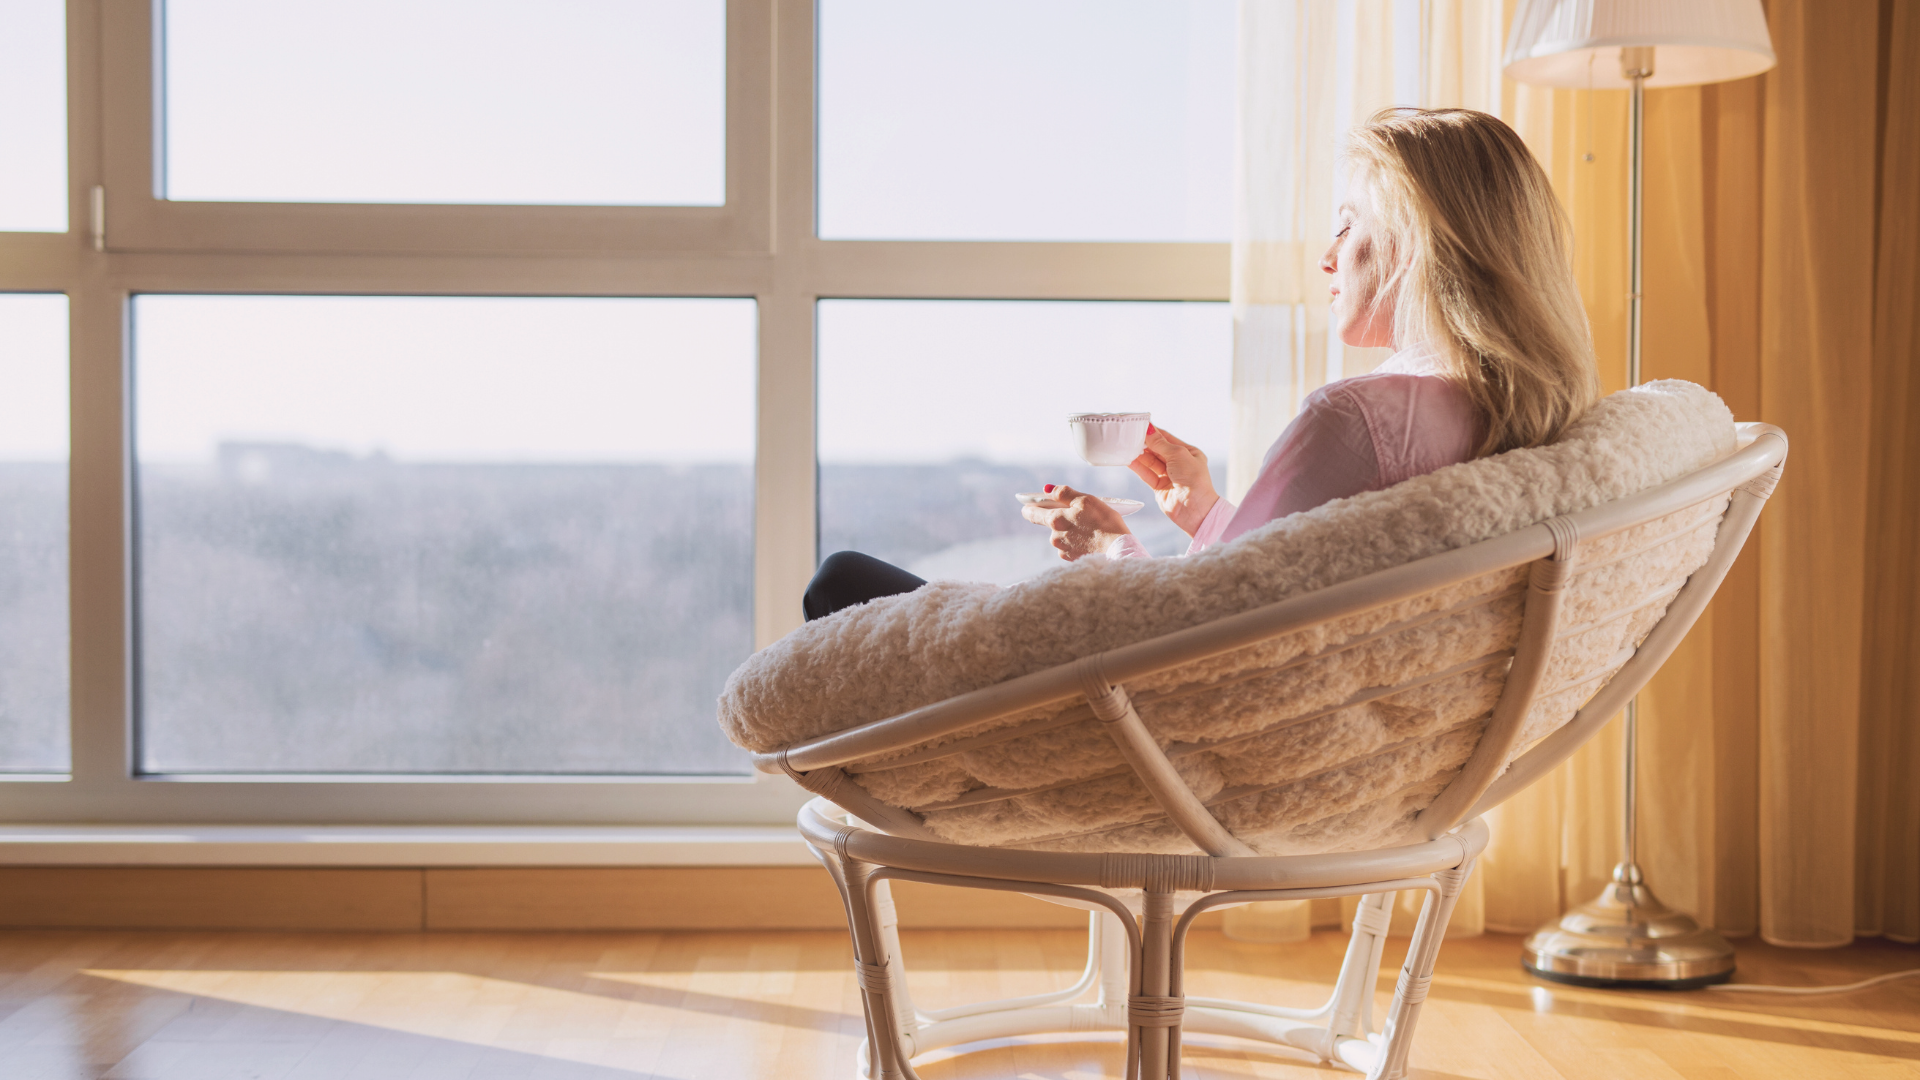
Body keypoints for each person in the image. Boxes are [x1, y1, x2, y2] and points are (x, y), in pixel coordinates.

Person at [803, 107, 1599, 623]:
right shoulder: (1506, 416)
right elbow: (1262, 590)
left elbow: (1193, 635)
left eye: (1348, 225)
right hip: (1287, 729)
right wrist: (1206, 515)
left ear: (1415, 241)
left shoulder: (1358, 419)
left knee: (841, 582)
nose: (1326, 257)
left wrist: (1108, 549)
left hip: (1144, 732)